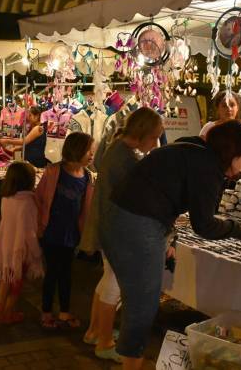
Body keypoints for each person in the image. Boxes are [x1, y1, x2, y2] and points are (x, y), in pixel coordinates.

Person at [101, 120, 241, 370]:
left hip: (117, 219)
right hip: (137, 227)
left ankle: (129, 359)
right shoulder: (207, 167)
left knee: (136, 301)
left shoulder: (189, 149)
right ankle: (131, 364)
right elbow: (204, 225)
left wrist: (168, 235)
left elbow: (163, 191)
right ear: (231, 153)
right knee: (142, 304)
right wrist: (235, 229)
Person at [81, 107, 164, 363]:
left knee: (108, 281)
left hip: (109, 226)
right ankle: (104, 340)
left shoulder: (119, 149)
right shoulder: (124, 158)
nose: (157, 143)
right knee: (113, 285)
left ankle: (95, 331)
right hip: (116, 231)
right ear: (144, 134)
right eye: (155, 137)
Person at [35, 132, 95, 329]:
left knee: (67, 273)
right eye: (89, 151)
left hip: (71, 233)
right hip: (51, 231)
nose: (92, 155)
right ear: (77, 150)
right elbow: (39, 199)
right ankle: (45, 311)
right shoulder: (54, 171)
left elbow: (86, 209)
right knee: (52, 272)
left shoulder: (87, 177)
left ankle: (64, 311)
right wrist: (39, 226)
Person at [0, 162, 44, 324]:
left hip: (6, 245)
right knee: (17, 285)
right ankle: (8, 312)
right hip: (20, 251)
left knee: (6, 278)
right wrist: (36, 252)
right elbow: (30, 232)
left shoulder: (6, 198)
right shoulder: (28, 202)